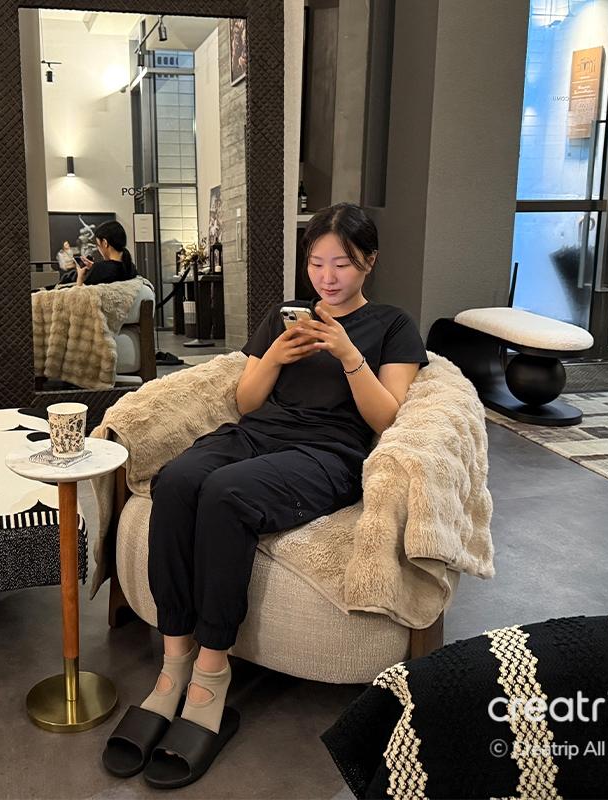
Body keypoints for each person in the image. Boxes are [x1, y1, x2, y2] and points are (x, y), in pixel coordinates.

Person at [102, 202, 429, 788]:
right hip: (257, 434)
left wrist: (349, 355)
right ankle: (173, 664)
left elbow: (386, 418)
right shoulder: (283, 318)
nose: (327, 277)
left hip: (329, 453)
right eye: (317, 263)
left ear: (369, 263)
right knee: (176, 480)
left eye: (343, 264)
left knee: (226, 494)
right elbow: (247, 401)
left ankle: (210, 675)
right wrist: (276, 354)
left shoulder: (392, 325)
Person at [69, 220, 137, 286]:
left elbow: (82, 292)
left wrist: (80, 277)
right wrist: (94, 267)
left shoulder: (99, 271)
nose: (99, 249)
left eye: (98, 245)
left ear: (105, 243)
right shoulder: (131, 268)